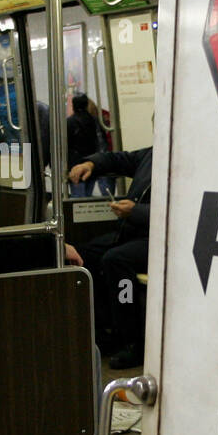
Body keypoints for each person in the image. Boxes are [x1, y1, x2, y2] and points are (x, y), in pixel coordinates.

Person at [66, 145, 154, 369]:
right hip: (132, 233)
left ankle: (134, 341)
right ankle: (106, 329)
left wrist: (136, 212)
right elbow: (119, 159)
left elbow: (184, 211)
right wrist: (91, 164)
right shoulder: (153, 154)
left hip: (161, 240)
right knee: (82, 257)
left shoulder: (192, 164)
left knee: (116, 261)